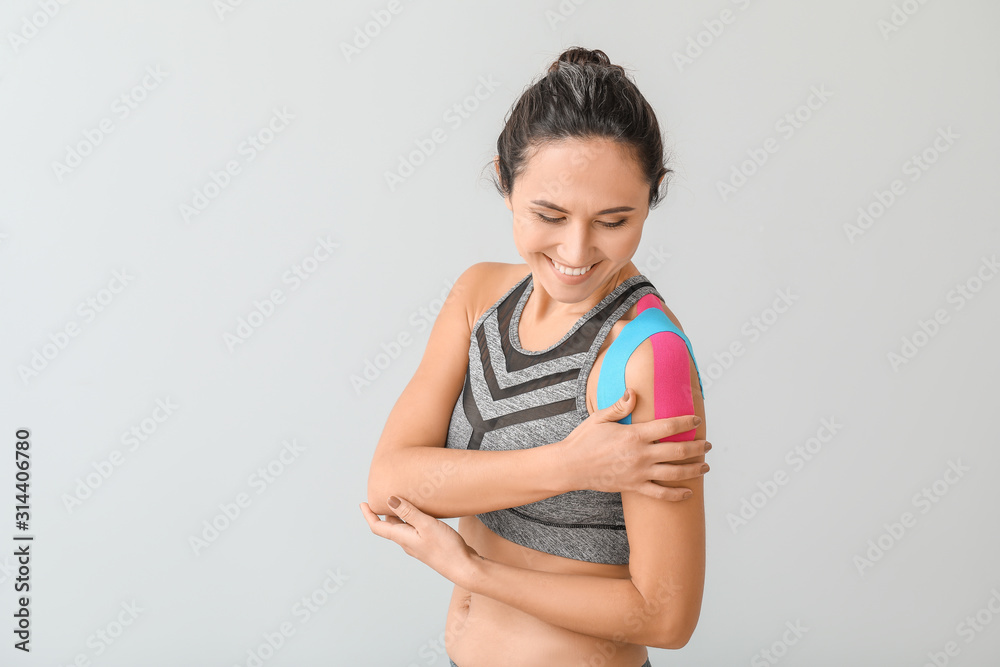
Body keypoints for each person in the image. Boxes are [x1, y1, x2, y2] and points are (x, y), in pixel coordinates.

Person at [361, 47, 709, 667]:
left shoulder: (649, 357)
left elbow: (667, 615)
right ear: (505, 181)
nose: (576, 249)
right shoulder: (479, 298)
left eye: (614, 219)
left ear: (652, 197)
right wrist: (569, 465)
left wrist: (471, 570)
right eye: (549, 214)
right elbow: (390, 484)